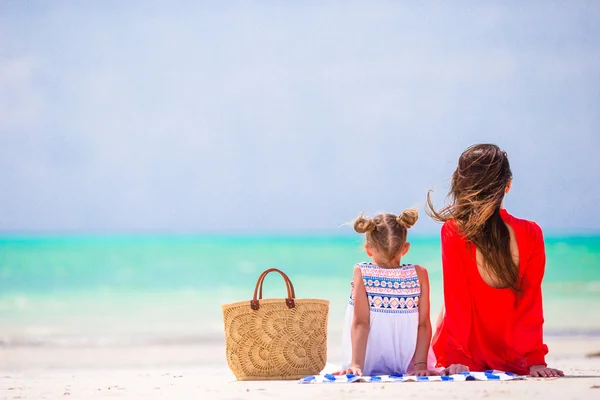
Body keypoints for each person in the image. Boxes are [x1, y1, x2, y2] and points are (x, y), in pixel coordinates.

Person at [427, 144, 563, 377]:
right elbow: (530, 305)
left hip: (465, 354)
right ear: (508, 185)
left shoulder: (454, 230)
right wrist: (534, 361)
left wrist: (456, 358)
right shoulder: (532, 233)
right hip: (513, 357)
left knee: (449, 302)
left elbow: (457, 301)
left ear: (461, 185)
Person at [335, 209, 437, 376]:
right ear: (405, 248)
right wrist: (421, 366)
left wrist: (356, 365)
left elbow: (361, 322)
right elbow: (423, 324)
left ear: (368, 249)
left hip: (367, 362)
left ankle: (356, 363)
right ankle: (417, 364)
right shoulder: (420, 273)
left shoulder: (362, 271)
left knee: (357, 295)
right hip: (407, 363)